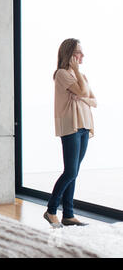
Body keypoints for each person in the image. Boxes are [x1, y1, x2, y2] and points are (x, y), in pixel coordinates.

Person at [43, 38, 97, 228]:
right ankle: (51, 210)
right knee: (71, 171)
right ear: (69, 55)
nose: (82, 56)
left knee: (74, 172)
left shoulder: (81, 76)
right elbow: (84, 91)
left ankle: (68, 214)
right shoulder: (62, 74)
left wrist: (82, 97)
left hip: (84, 125)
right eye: (78, 53)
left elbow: (94, 100)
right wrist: (82, 92)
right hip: (71, 126)